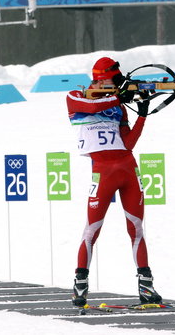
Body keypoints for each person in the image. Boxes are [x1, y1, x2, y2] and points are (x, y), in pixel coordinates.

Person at [66, 57, 162, 307]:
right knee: (91, 230)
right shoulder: (76, 96)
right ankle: (80, 285)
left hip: (128, 169)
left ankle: (146, 286)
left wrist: (142, 115)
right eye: (113, 79)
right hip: (103, 173)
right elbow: (93, 108)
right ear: (99, 78)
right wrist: (120, 95)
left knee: (137, 229)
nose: (116, 83)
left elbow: (127, 142)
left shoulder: (117, 106)